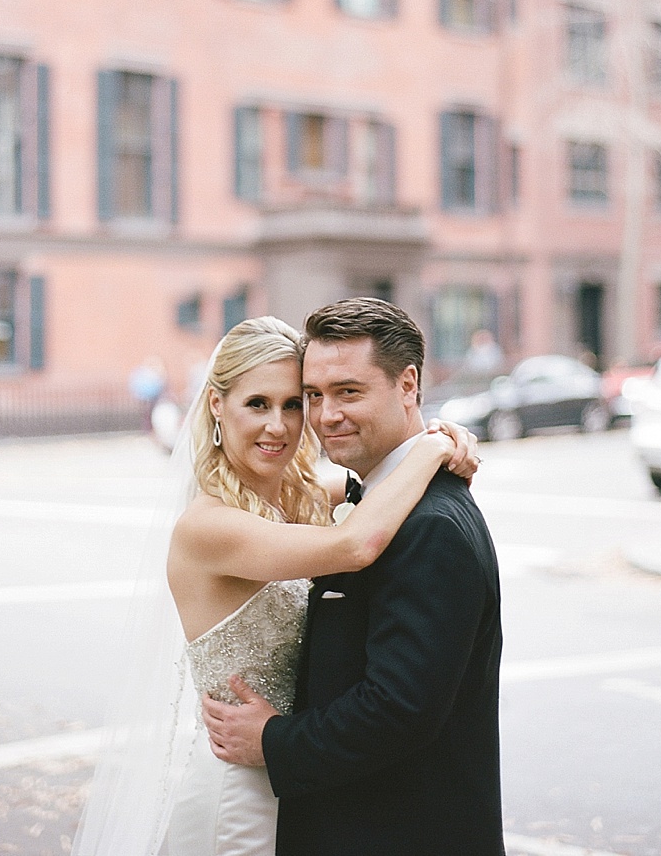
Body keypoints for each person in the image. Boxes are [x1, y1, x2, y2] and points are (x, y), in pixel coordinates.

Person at [71, 313, 478, 856]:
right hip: (239, 794)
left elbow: (371, 483)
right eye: (257, 404)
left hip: (297, 780)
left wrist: (449, 444)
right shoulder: (207, 527)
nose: (279, 426)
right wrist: (433, 445)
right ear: (217, 405)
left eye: (293, 403)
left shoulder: (296, 497)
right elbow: (354, 544)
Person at [203, 299, 504, 856]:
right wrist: (439, 443)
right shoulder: (368, 499)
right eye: (313, 396)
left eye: (348, 392)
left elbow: (397, 709)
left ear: (408, 384)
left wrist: (273, 741)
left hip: (399, 832)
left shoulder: (430, 527)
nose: (323, 416)